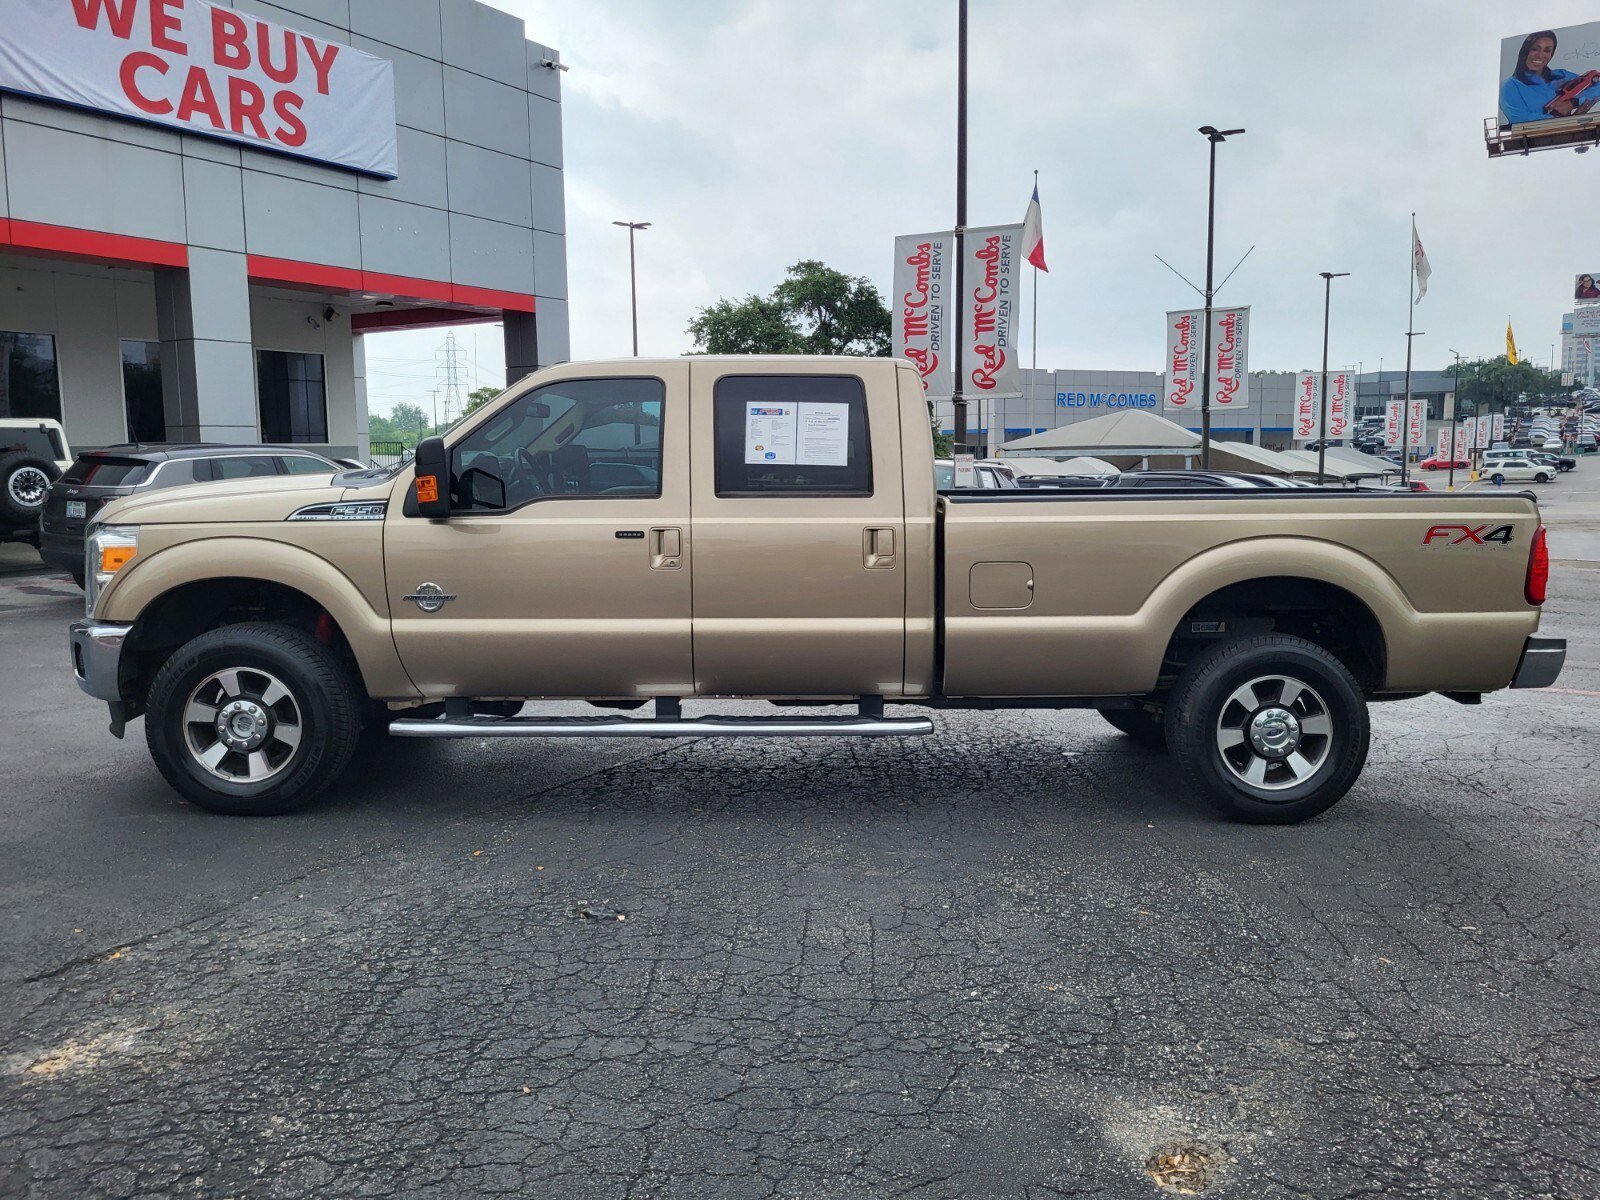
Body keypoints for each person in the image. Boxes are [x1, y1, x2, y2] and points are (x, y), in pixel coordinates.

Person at [1500, 30, 1600, 124]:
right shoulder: (1510, 86)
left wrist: (1573, 102)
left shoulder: (1562, 75)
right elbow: (1518, 119)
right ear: (1525, 51)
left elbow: (1597, 84)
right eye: (1535, 49)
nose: (1540, 55)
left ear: (1551, 55)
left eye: (1547, 51)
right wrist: (1562, 118)